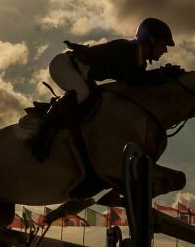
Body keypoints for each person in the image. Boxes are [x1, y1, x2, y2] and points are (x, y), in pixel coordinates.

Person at [26, 17, 180, 162]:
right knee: (82, 94)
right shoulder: (125, 49)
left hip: (81, 74)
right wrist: (161, 74)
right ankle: (38, 138)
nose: (165, 50)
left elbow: (137, 82)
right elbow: (133, 80)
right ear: (151, 40)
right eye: (163, 44)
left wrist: (163, 75)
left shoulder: (139, 62)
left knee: (95, 100)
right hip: (65, 65)